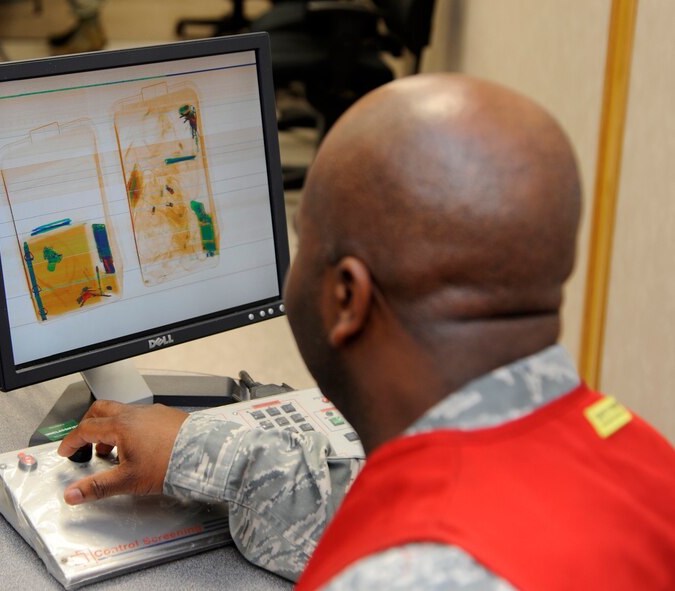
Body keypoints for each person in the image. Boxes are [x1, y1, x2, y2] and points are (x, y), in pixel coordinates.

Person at [57, 74, 675, 589]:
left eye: (305, 240)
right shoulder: (645, 466)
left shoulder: (402, 574)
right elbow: (412, 509)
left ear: (346, 297)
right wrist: (201, 451)